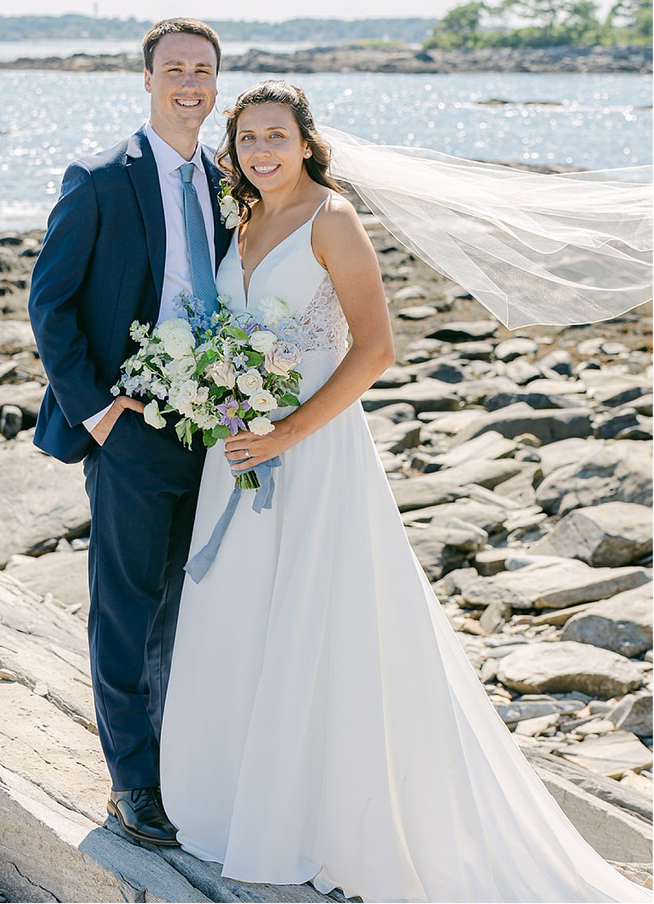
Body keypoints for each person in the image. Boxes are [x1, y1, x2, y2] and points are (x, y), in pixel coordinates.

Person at [159, 80, 650, 903]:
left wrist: (287, 433)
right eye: (246, 140)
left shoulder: (332, 220)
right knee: (243, 616)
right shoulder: (243, 220)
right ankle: (243, 800)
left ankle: (315, 820)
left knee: (320, 624)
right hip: (238, 451)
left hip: (310, 456)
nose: (260, 152)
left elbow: (376, 348)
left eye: (275, 136)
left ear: (307, 143)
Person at [28, 18, 231, 847]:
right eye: (175, 69)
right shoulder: (102, 176)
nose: (190, 83)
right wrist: (102, 414)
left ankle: (183, 761)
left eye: (204, 71)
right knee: (125, 609)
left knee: (194, 603)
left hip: (216, 429)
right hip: (132, 426)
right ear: (146, 79)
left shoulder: (231, 180)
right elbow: (51, 305)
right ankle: (133, 785)